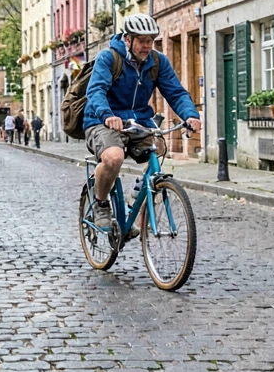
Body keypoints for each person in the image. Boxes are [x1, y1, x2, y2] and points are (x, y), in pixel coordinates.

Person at [84, 14, 201, 233]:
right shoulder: (108, 58)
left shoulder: (157, 62)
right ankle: (100, 203)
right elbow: (96, 90)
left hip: (139, 121)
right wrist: (107, 114)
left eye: (151, 40)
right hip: (102, 120)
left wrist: (190, 115)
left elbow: (175, 92)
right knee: (114, 157)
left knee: (158, 151)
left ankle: (139, 195)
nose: (147, 46)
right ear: (128, 39)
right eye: (142, 41)